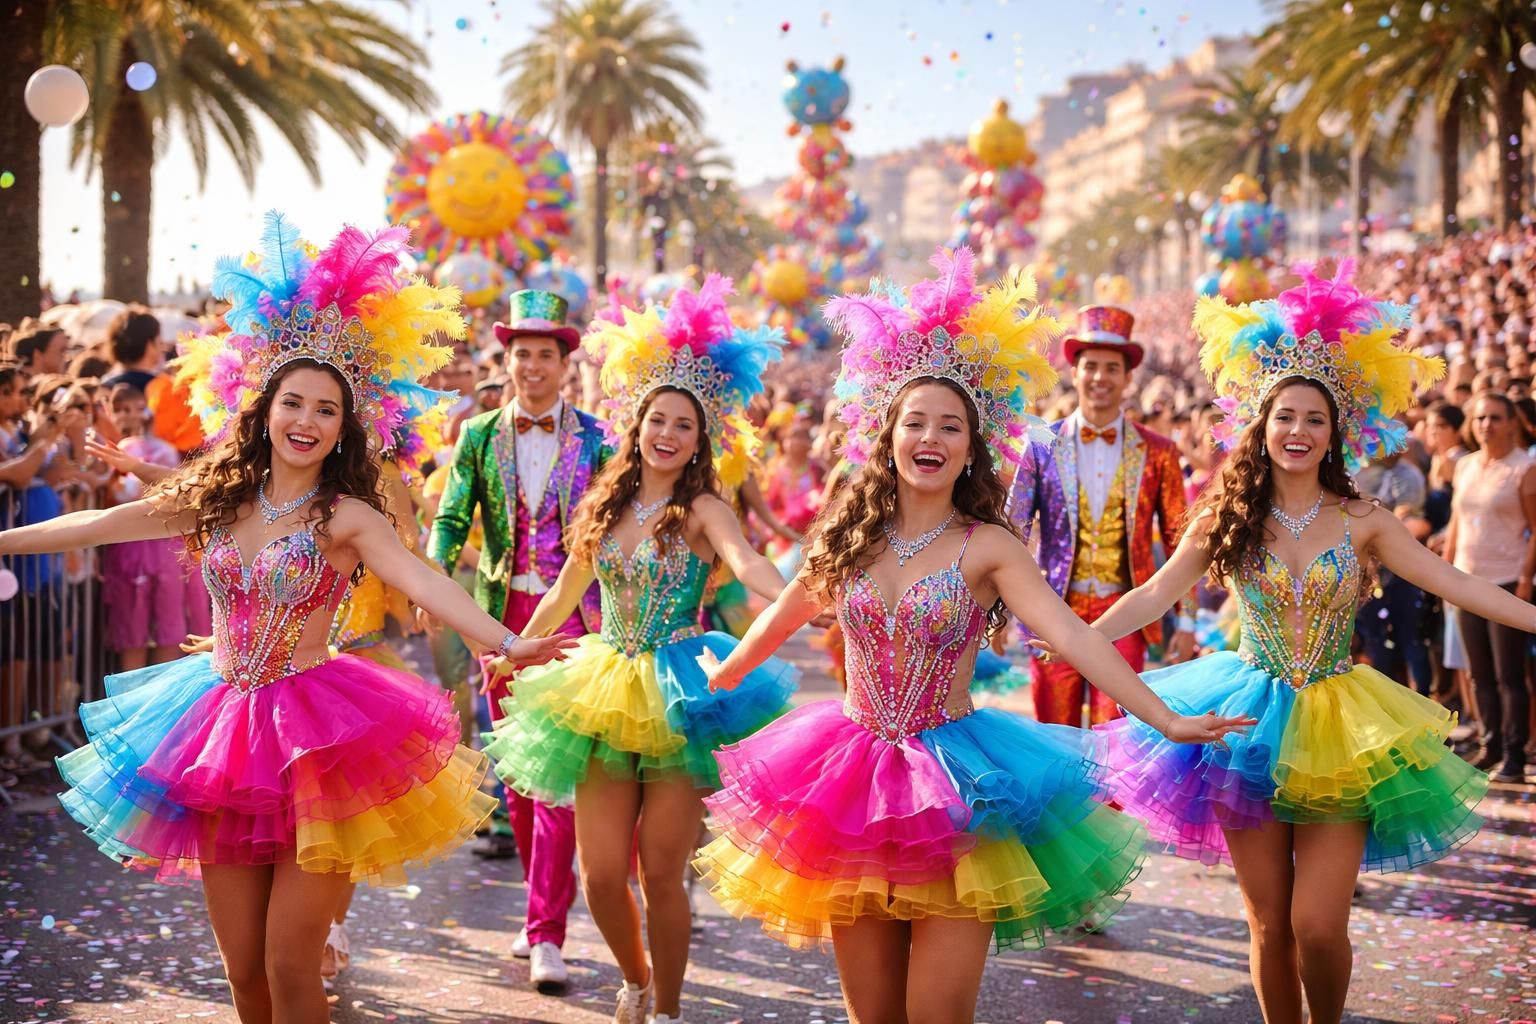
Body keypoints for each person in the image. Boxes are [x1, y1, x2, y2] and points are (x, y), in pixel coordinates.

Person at [8, 213, 575, 1024]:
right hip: (217, 733)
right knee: (243, 974)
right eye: (294, 403)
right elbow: (95, 526)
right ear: (266, 407)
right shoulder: (218, 499)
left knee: (290, 963)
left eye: (326, 411)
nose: (307, 422)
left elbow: (420, 575)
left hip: (321, 739)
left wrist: (509, 641)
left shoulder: (347, 515)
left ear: (346, 428)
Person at [693, 250, 1252, 1024]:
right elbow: (776, 618)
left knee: (938, 1015)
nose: (931, 437)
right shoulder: (849, 536)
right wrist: (719, 679)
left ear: (970, 446)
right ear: (888, 434)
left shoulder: (989, 546)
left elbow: (1073, 635)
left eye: (949, 426)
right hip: (848, 788)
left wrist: (1165, 717)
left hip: (961, 794)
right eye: (915, 421)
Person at [1081, 264, 1534, 1024]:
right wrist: (1076, 637)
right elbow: (1154, 595)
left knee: (1318, 926)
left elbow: (1460, 585)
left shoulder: (1365, 520)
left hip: (1340, 726)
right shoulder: (1227, 516)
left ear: (1335, 432)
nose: (1297, 431)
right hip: (1243, 725)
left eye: (1314, 419)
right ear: (1261, 426)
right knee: (1268, 924)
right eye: (1283, 416)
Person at [482, 276, 802, 1024]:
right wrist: (519, 647)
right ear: (639, 425)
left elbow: (749, 564)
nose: (666, 434)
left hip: (682, 690)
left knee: (661, 872)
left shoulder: (703, 508)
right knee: (598, 877)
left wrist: (795, 596)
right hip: (602, 682)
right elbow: (566, 589)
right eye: (657, 419)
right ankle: (634, 977)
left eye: (682, 425)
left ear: (699, 440)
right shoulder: (608, 499)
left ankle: (667, 1011)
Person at [425, 289, 607, 990]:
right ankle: (540, 914)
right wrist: (433, 578)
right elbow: (450, 519)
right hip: (496, 621)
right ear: (507, 360)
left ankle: (546, 933)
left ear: (565, 363)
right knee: (520, 778)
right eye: (520, 354)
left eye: (544, 355)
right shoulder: (476, 436)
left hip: (572, 621)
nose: (531, 366)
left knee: (556, 776)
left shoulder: (598, 440)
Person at [1008, 304, 1196, 728]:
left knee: (1119, 738)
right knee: (1055, 739)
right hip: (1052, 613)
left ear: (1128, 378)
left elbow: (1180, 539)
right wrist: (998, 611)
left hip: (1126, 613)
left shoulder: (1159, 451)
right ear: (1073, 372)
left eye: (1112, 368)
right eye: (1090, 366)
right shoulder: (1041, 444)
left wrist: (1186, 621)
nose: (1099, 378)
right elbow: (1012, 530)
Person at [1445, 391, 1536, 783]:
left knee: (1508, 674)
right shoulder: (1464, 466)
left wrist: (1525, 579)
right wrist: (1445, 571)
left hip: (1506, 581)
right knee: (1479, 672)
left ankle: (1514, 754)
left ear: (1512, 422)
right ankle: (1490, 744)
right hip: (1467, 579)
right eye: (1480, 417)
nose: (1486, 425)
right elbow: (1456, 521)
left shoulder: (1524, 468)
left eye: (1495, 417)